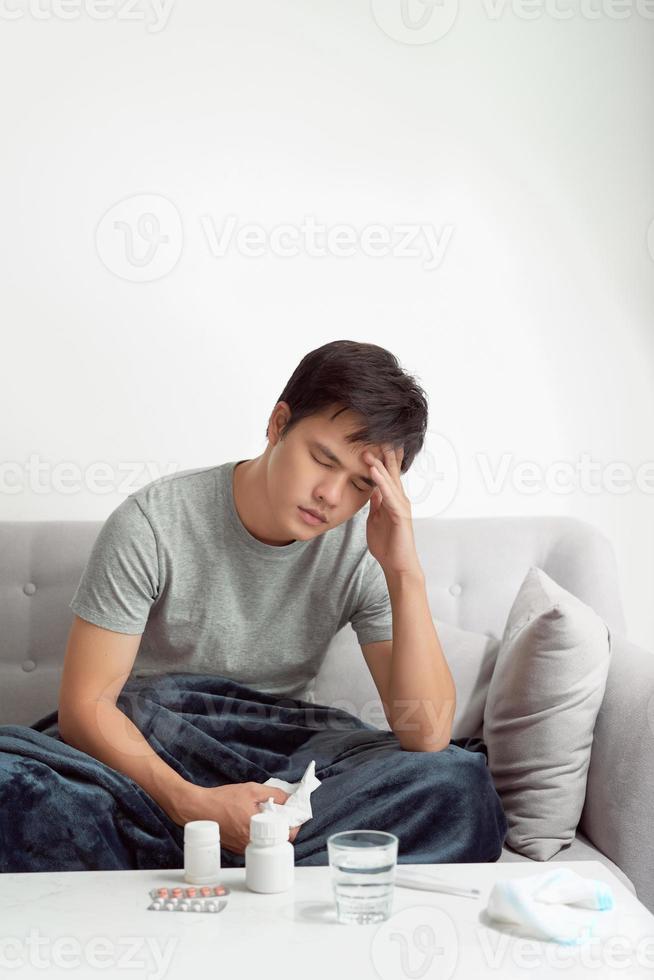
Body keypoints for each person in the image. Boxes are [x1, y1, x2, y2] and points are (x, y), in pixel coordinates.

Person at [57, 339, 508, 865]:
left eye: (361, 484)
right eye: (322, 459)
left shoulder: (366, 550)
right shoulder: (152, 524)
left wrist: (404, 571)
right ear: (277, 424)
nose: (332, 496)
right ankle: (250, 850)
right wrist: (193, 805)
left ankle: (231, 849)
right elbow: (86, 708)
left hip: (283, 761)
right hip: (158, 751)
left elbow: (427, 733)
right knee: (22, 795)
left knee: (457, 783)